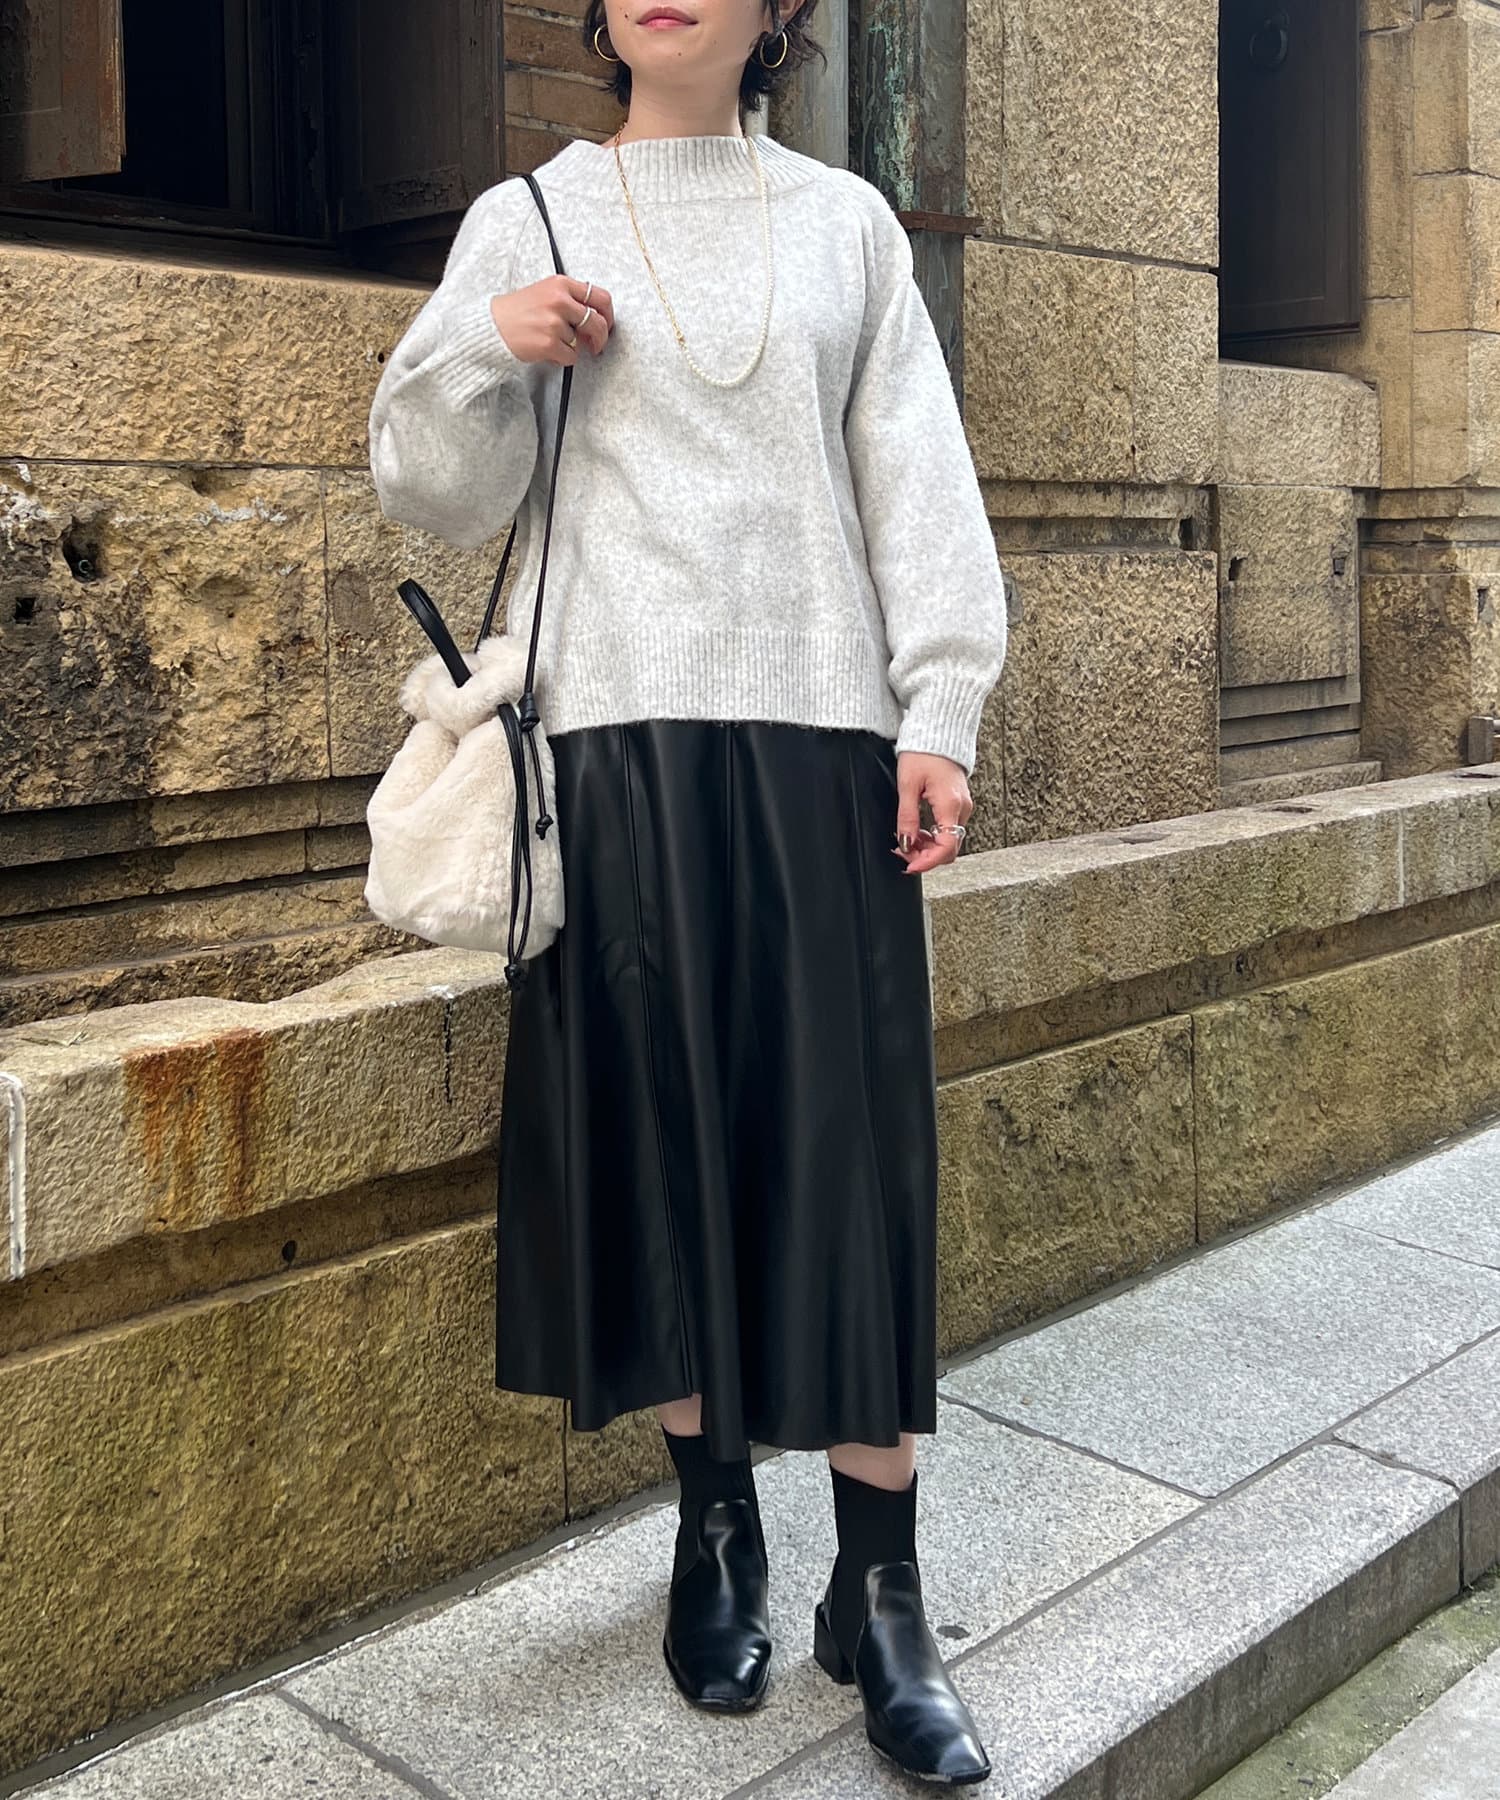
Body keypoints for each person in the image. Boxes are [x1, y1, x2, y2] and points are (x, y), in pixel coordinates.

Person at [367, 0, 1007, 1784]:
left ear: (780, 12)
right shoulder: (532, 215)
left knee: (848, 1154)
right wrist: (488, 344)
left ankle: (879, 1588)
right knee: (657, 1141)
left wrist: (939, 711)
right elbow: (433, 488)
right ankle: (715, 1524)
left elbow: (915, 473)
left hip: (822, 738)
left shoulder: (847, 222)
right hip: (611, 746)